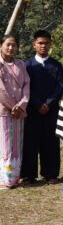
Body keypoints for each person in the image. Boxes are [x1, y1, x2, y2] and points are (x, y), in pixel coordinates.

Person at [22, 30, 63, 183]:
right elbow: (25, 87)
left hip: (51, 110)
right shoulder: (27, 65)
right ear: (34, 44)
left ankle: (50, 173)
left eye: (46, 43)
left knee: (51, 141)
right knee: (30, 141)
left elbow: (60, 86)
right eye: (40, 43)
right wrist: (38, 104)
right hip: (32, 109)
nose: (43, 46)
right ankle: (29, 174)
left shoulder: (56, 65)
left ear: (50, 44)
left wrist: (49, 103)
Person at [0, 34, 29, 189]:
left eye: (14, 45)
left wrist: (21, 105)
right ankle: (4, 179)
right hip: (4, 111)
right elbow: (1, 89)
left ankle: (14, 178)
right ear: (1, 46)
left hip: (19, 112)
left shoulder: (21, 64)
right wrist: (12, 107)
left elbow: (26, 85)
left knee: (17, 144)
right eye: (8, 44)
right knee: (5, 144)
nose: (11, 48)